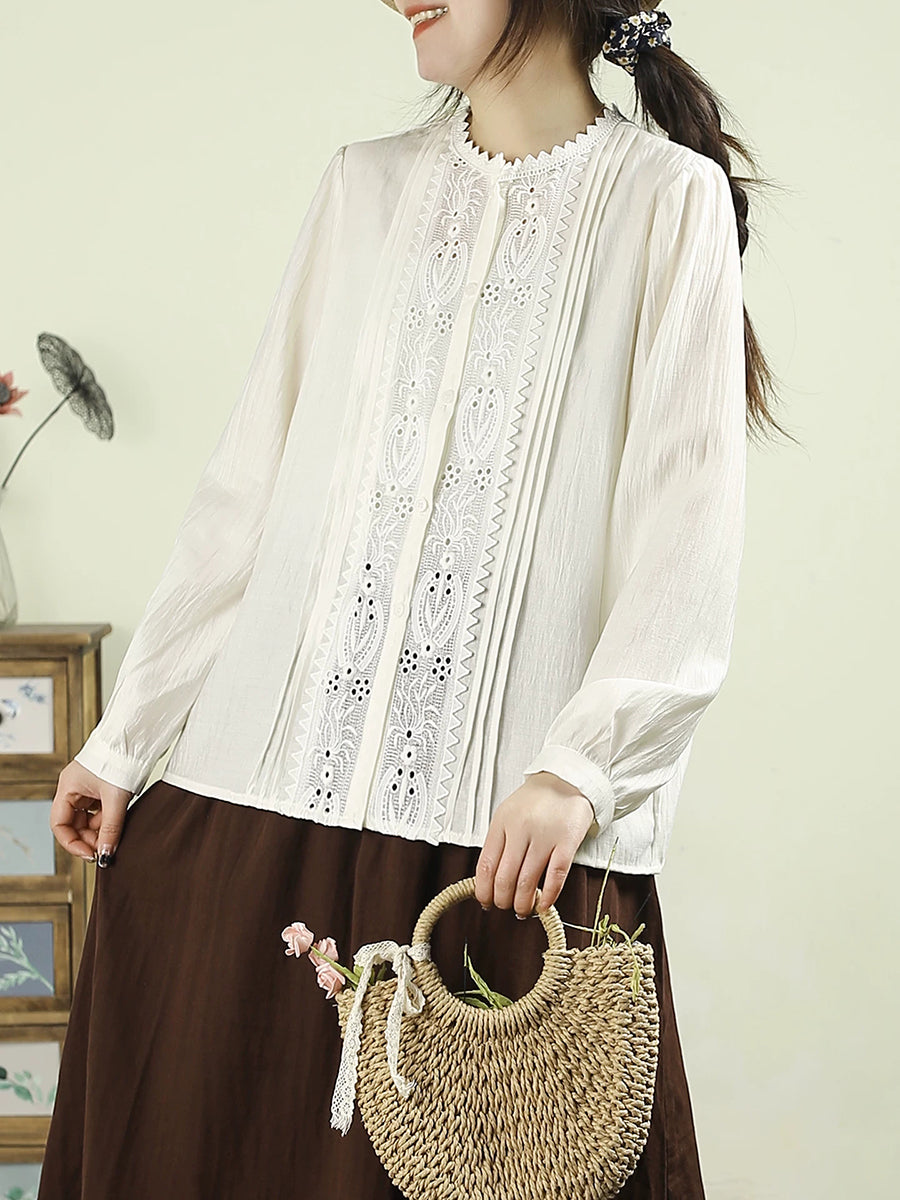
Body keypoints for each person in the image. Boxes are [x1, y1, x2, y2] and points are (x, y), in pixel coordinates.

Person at [37, 3, 788, 1197]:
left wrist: (579, 771)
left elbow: (685, 534)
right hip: (254, 815)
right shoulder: (362, 188)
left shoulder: (667, 203)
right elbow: (247, 492)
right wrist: (127, 737)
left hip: (500, 858)